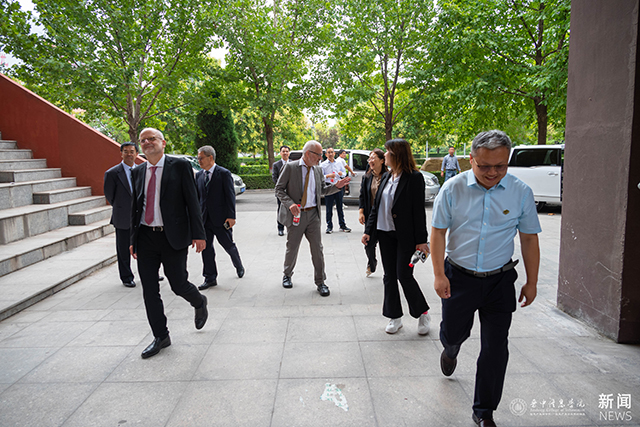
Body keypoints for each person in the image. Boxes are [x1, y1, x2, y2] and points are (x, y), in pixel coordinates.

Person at [431, 130, 541, 427]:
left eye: (500, 166)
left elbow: (529, 238)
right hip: (459, 278)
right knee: (454, 332)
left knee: (495, 347)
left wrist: (532, 281)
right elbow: (438, 232)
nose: (493, 173)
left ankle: (484, 411)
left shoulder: (520, 191)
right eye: (484, 166)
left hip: (500, 281)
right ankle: (451, 348)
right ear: (471, 160)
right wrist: (439, 274)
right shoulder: (452, 189)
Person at [129, 128, 208, 359]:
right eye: (143, 140)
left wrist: (199, 234)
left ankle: (199, 300)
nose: (146, 143)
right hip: (145, 237)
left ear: (163, 142)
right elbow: (136, 209)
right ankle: (161, 335)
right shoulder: (138, 171)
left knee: (178, 284)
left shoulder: (180, 166)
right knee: (149, 290)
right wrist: (132, 240)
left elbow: (192, 202)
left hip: (172, 236)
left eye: (151, 139)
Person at [362, 139, 431, 335]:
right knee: (389, 276)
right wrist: (368, 231)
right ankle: (394, 316)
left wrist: (421, 240)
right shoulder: (386, 177)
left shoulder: (414, 178)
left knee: (404, 275)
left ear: (398, 154)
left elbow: (419, 212)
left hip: (406, 237)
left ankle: (422, 312)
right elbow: (375, 208)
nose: (385, 156)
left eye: (388, 152)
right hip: (385, 235)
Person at [275, 140, 350, 296]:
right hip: (297, 215)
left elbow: (322, 190)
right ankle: (287, 275)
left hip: (313, 215)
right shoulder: (290, 167)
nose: (321, 158)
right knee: (292, 247)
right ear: (308, 153)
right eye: (319, 154)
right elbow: (279, 189)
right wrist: (290, 204)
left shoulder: (317, 170)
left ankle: (321, 281)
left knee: (317, 249)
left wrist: (337, 186)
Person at [195, 145, 245, 290]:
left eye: (201, 158)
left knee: (228, 245)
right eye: (198, 158)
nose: (199, 161)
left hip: (221, 219)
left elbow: (230, 196)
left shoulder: (223, 173)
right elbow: (198, 199)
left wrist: (231, 216)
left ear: (210, 157)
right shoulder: (199, 175)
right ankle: (210, 277)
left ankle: (238, 265)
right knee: (206, 249)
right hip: (204, 220)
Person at [104, 142, 139, 288]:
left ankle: (150, 273)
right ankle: (126, 277)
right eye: (126, 151)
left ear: (136, 153)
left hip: (141, 218)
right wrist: (123, 208)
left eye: (132, 151)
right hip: (123, 217)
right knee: (123, 249)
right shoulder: (112, 173)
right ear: (121, 154)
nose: (129, 154)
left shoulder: (142, 170)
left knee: (146, 247)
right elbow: (110, 196)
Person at [358, 148, 387, 277]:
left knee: (386, 244)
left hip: (386, 216)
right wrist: (361, 212)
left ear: (382, 160)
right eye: (369, 158)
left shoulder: (389, 177)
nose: (370, 160)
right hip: (371, 215)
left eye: (373, 157)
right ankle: (372, 262)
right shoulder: (367, 177)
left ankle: (389, 270)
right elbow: (362, 196)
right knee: (368, 243)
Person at [321, 147, 351, 233]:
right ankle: (329, 226)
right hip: (329, 187)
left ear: (334, 154)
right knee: (329, 207)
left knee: (339, 207)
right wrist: (328, 176)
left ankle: (342, 225)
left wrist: (342, 174)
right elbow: (320, 176)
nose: (330, 154)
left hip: (338, 187)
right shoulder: (323, 165)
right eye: (328, 152)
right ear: (326, 154)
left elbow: (344, 172)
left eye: (332, 152)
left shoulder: (339, 162)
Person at [271, 145, 291, 236]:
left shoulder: (293, 163)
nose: (285, 153)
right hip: (281, 192)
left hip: (292, 192)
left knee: (292, 209)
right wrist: (282, 188)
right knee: (281, 210)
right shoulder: (276, 165)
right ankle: (280, 228)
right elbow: (274, 178)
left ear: (289, 153)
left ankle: (292, 228)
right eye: (283, 151)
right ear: (280, 153)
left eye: (287, 151)